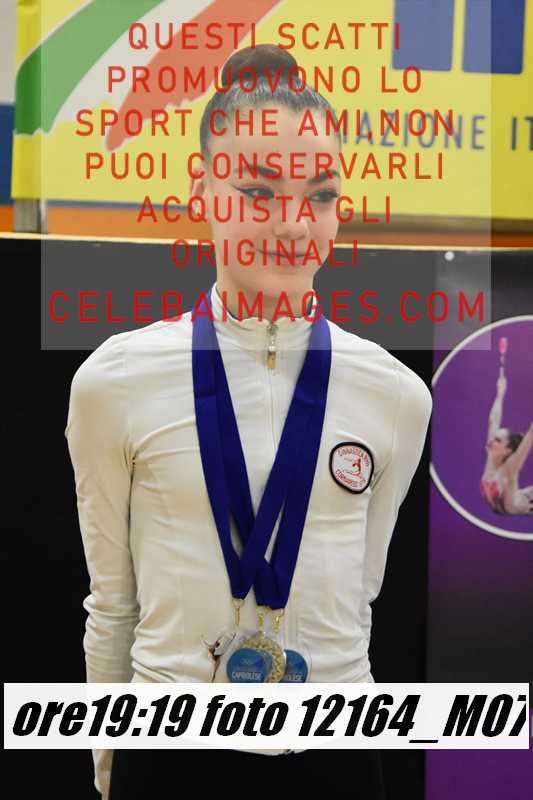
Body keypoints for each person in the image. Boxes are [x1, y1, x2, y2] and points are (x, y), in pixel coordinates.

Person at [65, 45, 433, 800]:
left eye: (319, 194)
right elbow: (113, 606)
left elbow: (359, 600)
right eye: (258, 190)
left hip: (335, 754)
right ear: (202, 189)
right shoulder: (114, 380)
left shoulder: (396, 395)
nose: (292, 224)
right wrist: (108, 762)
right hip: (168, 755)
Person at [480, 373, 533, 514]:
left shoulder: (510, 466)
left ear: (507, 449)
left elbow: (530, 436)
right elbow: (493, 420)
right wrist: (500, 392)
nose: (491, 440)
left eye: (497, 440)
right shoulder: (492, 457)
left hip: (529, 502)